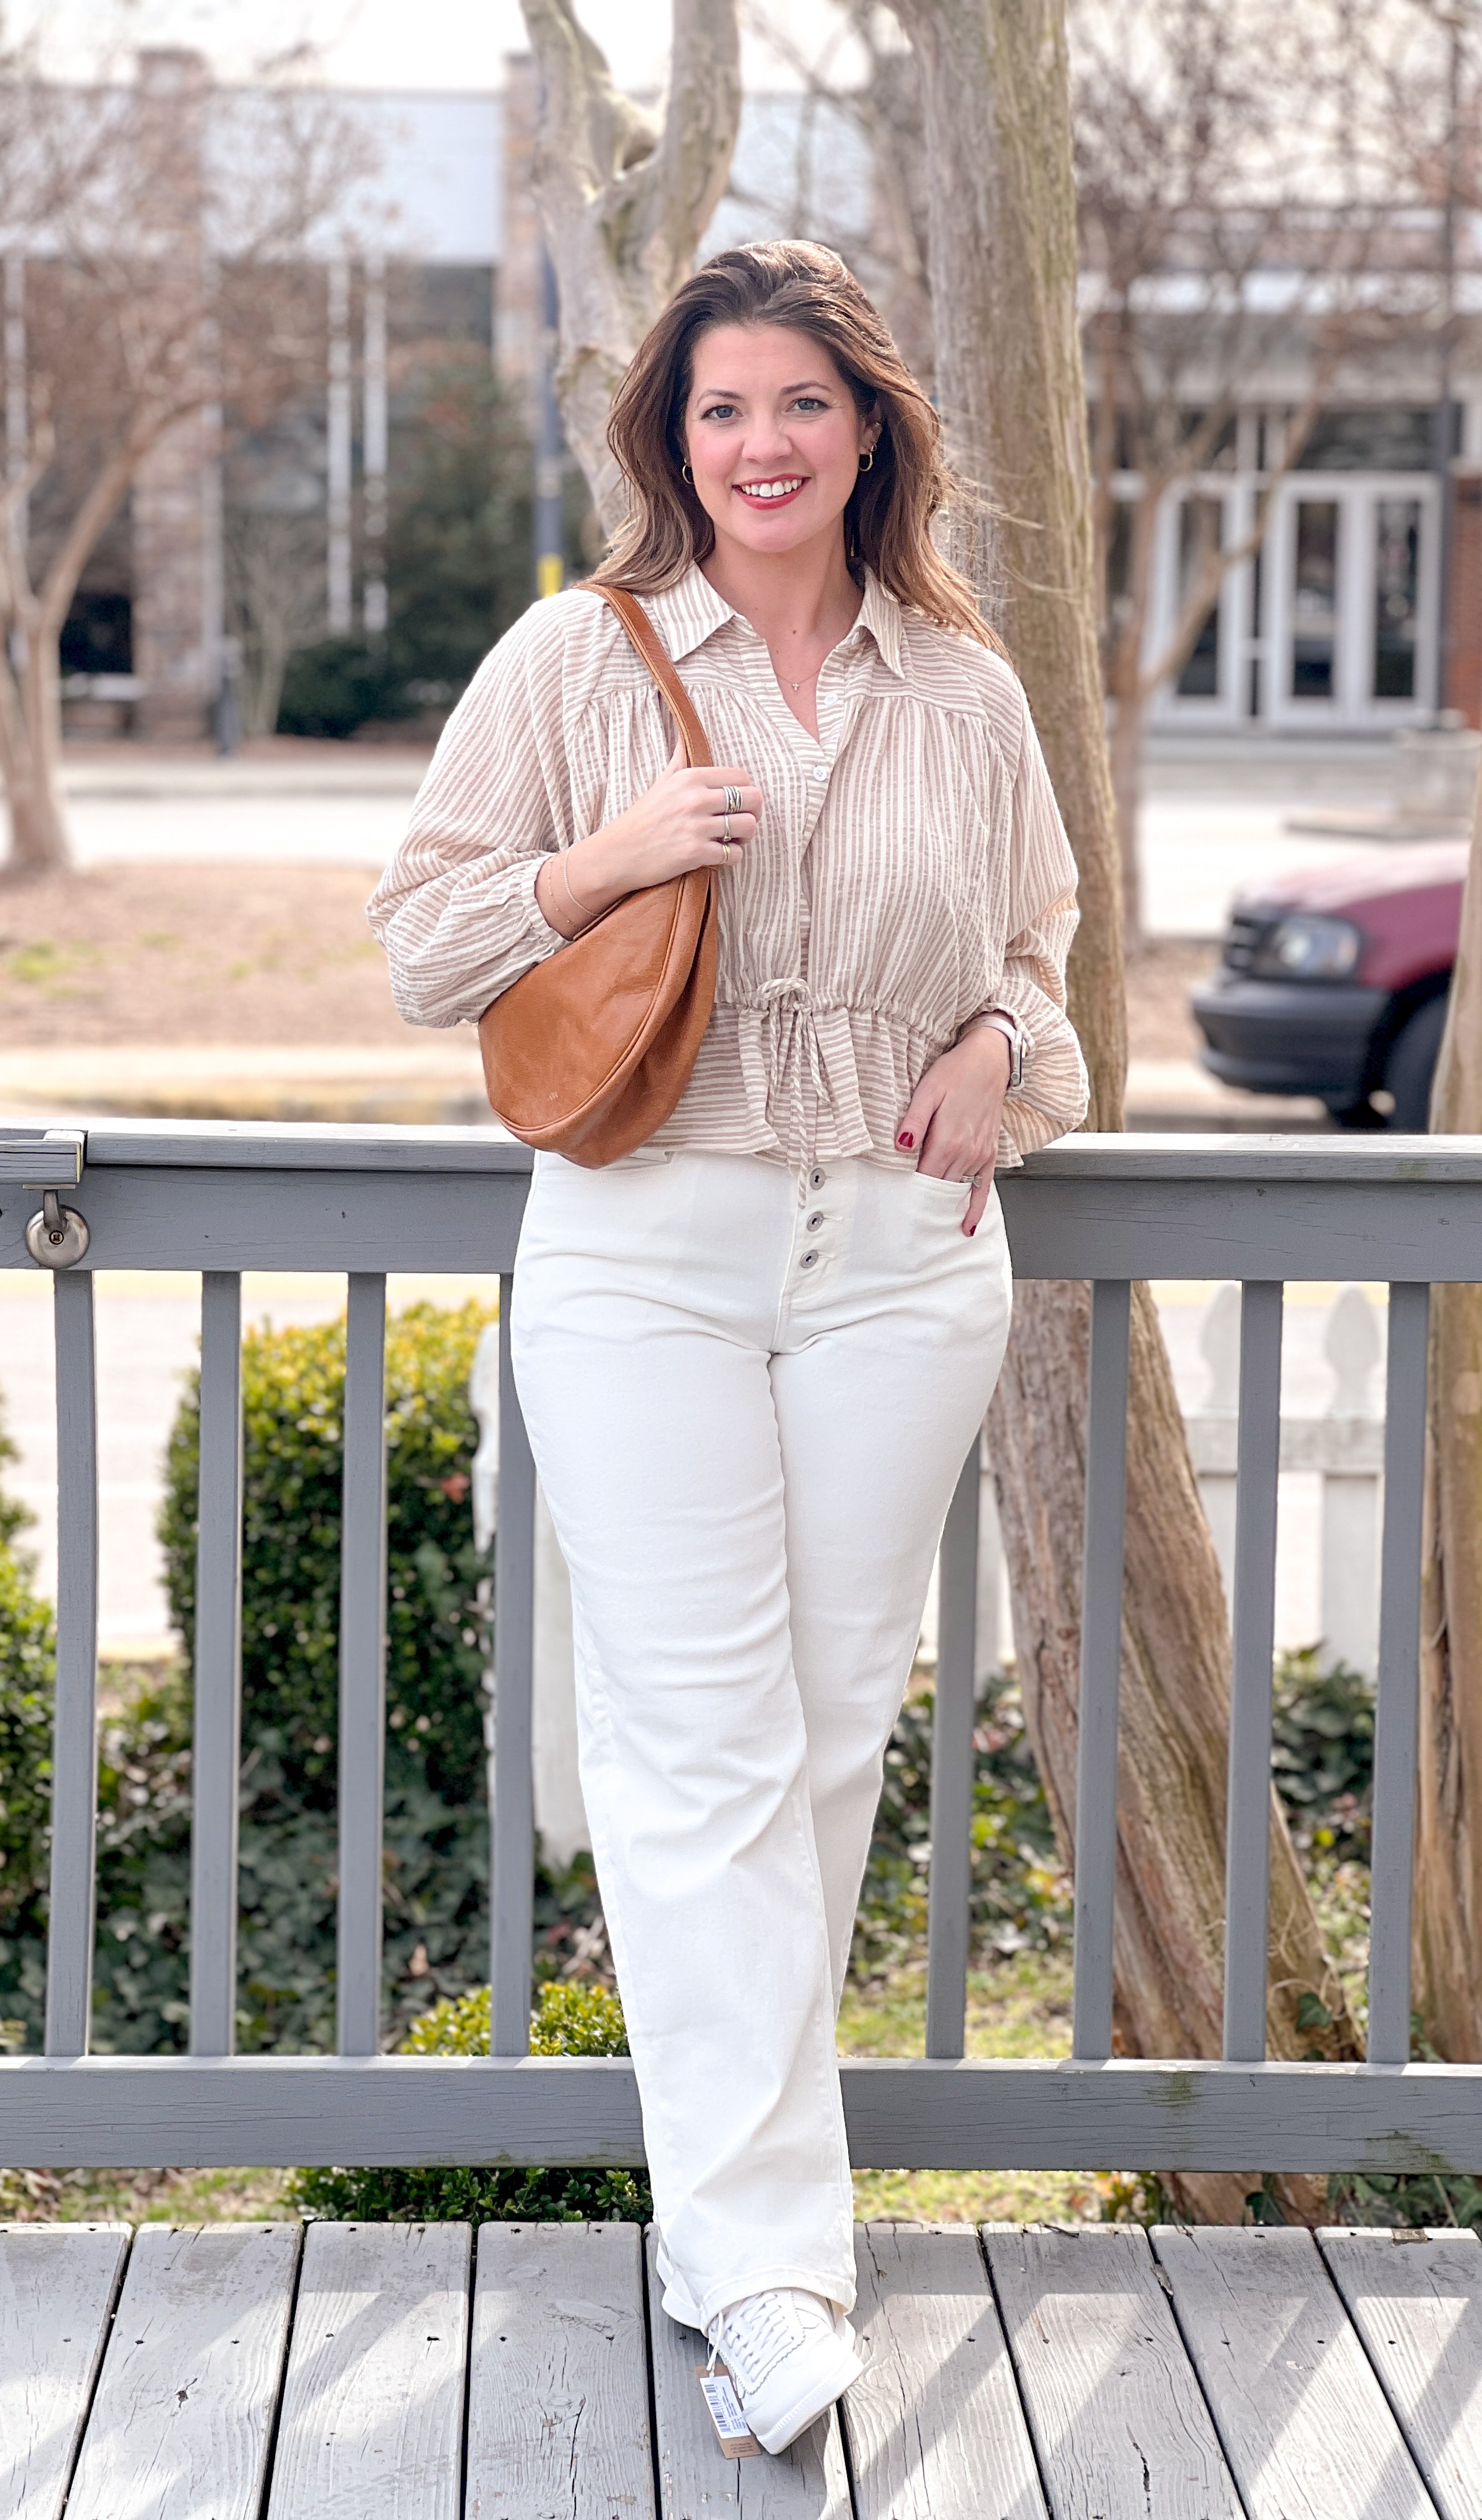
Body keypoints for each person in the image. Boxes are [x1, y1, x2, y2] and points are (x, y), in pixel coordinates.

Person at [369, 238, 1087, 2455]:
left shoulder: (964, 689)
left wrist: (1001, 1049)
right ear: (671, 443)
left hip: (900, 1262)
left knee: (826, 1740)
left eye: (799, 403)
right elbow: (421, 940)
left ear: (869, 431)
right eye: (719, 409)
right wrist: (607, 860)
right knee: (695, 1751)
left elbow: (1047, 966)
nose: (760, 444)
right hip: (645, 1247)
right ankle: (774, 2270)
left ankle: (733, 2233)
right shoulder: (578, 656)